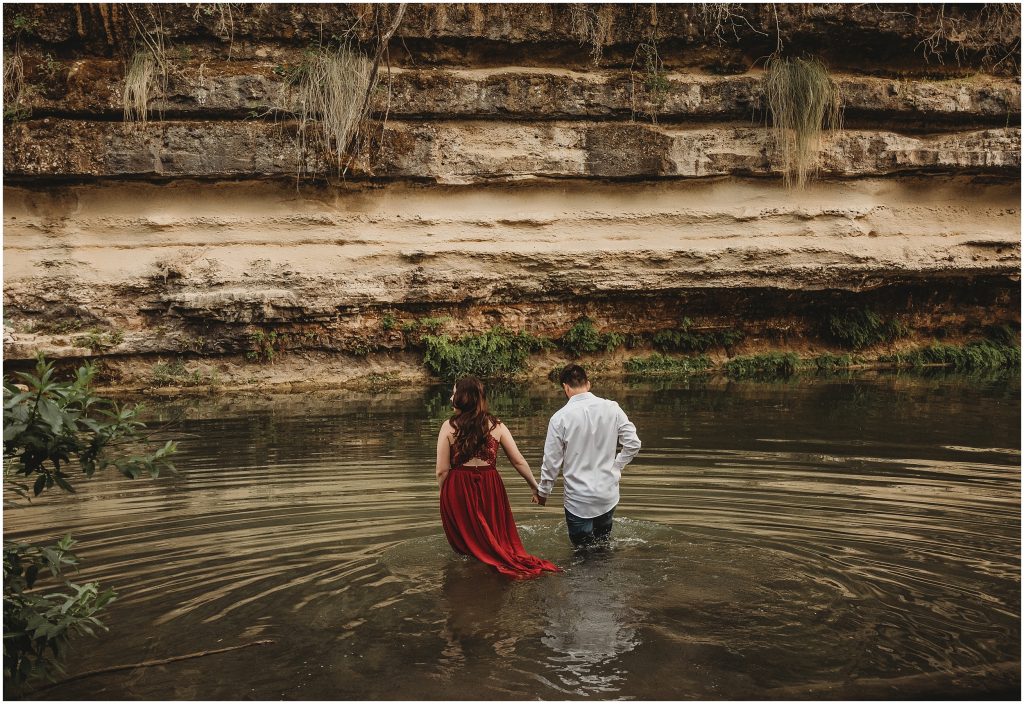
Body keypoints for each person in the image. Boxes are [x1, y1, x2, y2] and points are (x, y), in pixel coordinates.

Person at [436, 376, 559, 579]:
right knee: (493, 535)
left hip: (458, 487)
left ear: (462, 397)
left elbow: (442, 470)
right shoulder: (496, 425)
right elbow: (518, 460)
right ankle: (490, 569)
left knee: (467, 542)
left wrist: (445, 497)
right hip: (490, 485)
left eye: (454, 392)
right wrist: (536, 487)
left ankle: (473, 576)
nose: (451, 397)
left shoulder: (448, 427)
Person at [535, 364, 641, 548]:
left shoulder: (560, 418)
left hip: (579, 500)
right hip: (607, 495)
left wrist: (543, 492)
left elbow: (551, 462)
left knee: (582, 554)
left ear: (565, 387)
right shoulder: (612, 408)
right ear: (588, 384)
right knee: (602, 548)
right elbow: (633, 444)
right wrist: (616, 466)